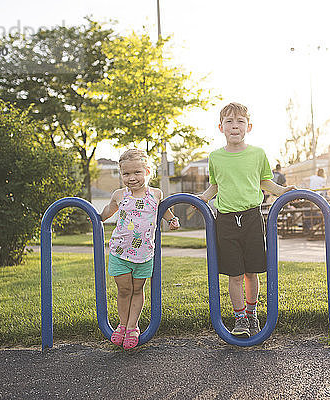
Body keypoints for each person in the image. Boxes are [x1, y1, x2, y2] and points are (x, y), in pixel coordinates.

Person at [199, 102, 296, 338]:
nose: (235, 126)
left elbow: (264, 181)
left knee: (252, 272)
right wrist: (201, 198)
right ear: (220, 127)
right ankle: (240, 317)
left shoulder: (257, 154)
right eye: (229, 122)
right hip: (226, 220)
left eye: (240, 121)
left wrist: (282, 191)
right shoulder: (216, 157)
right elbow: (215, 185)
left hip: (252, 217)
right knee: (234, 273)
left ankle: (252, 314)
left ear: (248, 126)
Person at [100, 148, 181, 349]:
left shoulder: (155, 194)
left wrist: (172, 220)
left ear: (147, 171)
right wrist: (95, 218)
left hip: (144, 255)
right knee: (124, 290)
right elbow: (107, 212)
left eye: (137, 172)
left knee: (138, 290)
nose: (132, 178)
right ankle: (122, 325)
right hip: (120, 252)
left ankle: (133, 326)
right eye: (126, 174)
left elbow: (165, 212)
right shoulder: (120, 195)